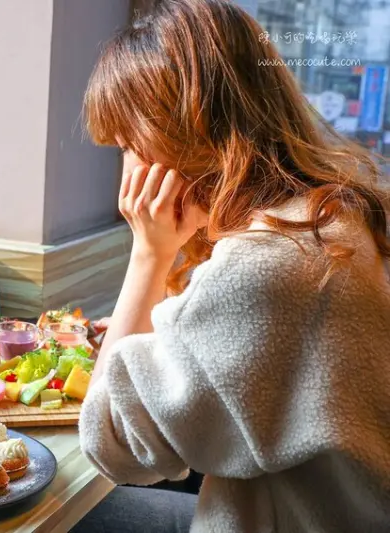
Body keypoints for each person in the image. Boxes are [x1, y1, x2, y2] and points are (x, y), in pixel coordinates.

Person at [74, 1, 390, 532]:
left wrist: (149, 254)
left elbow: (111, 443)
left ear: (182, 134)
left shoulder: (267, 265)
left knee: (74, 516)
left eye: (128, 144)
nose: (126, 167)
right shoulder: (332, 215)